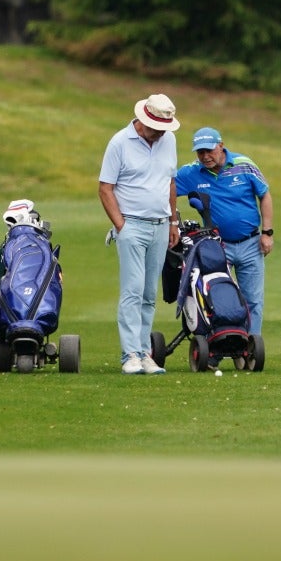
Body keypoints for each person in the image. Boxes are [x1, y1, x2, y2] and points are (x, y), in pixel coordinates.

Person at [99, 94, 181, 374]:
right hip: (131, 224)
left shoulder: (168, 140)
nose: (161, 133)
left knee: (148, 292)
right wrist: (121, 225)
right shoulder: (120, 142)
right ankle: (129, 354)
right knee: (132, 290)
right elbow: (105, 188)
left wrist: (173, 222)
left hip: (161, 224)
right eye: (158, 127)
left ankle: (145, 352)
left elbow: (170, 182)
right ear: (144, 121)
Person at [175, 127, 274, 336]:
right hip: (217, 245)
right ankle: (216, 347)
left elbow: (264, 195)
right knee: (217, 296)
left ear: (221, 145)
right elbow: (166, 190)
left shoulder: (244, 165)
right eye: (200, 152)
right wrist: (171, 221)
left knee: (253, 300)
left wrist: (267, 232)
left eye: (209, 151)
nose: (205, 156)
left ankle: (250, 349)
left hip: (251, 243)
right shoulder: (190, 172)